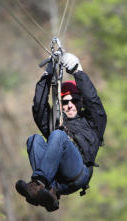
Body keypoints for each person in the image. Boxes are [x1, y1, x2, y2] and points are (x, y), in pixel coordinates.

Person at [15, 53, 107, 212]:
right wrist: (47, 74)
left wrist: (78, 71)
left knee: (58, 135)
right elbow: (39, 107)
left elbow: (93, 102)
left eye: (75, 101)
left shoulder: (93, 122)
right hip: (57, 180)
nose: (70, 105)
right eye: (65, 102)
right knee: (34, 139)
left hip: (79, 171)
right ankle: (47, 193)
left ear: (81, 102)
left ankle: (39, 184)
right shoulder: (56, 121)